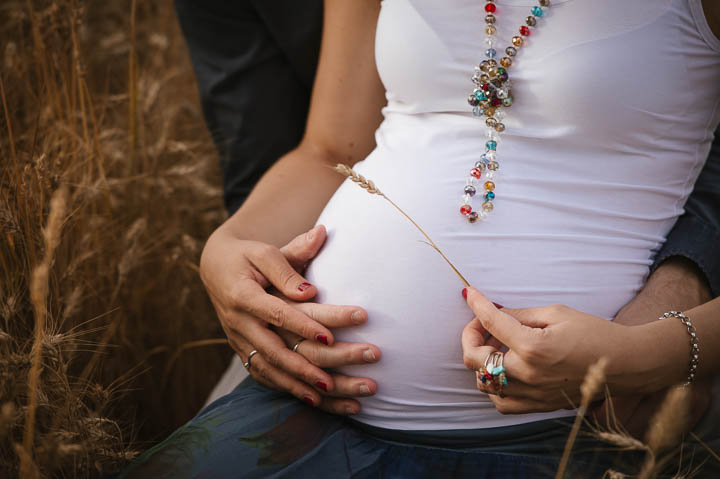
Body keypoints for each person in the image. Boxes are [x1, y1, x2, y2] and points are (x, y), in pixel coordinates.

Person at [123, 0, 720, 477]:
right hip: (309, 408)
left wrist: (648, 358)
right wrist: (225, 249)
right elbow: (329, 150)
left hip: (559, 435)